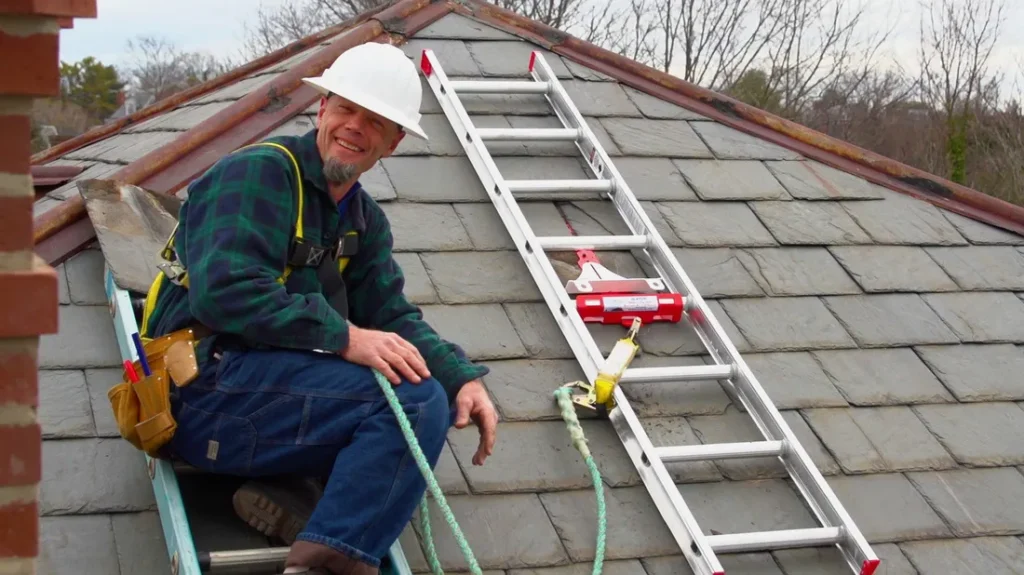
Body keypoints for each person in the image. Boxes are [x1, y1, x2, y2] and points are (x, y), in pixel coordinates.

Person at [141, 42, 499, 575]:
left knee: (433, 395)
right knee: (410, 402)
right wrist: (348, 339)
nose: (355, 126)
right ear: (322, 108)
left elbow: (390, 315)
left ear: (393, 142)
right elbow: (225, 291)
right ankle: (327, 561)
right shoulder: (258, 175)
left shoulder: (362, 220)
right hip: (203, 394)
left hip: (270, 395)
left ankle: (299, 504)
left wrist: (460, 378)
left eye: (375, 121)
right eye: (347, 109)